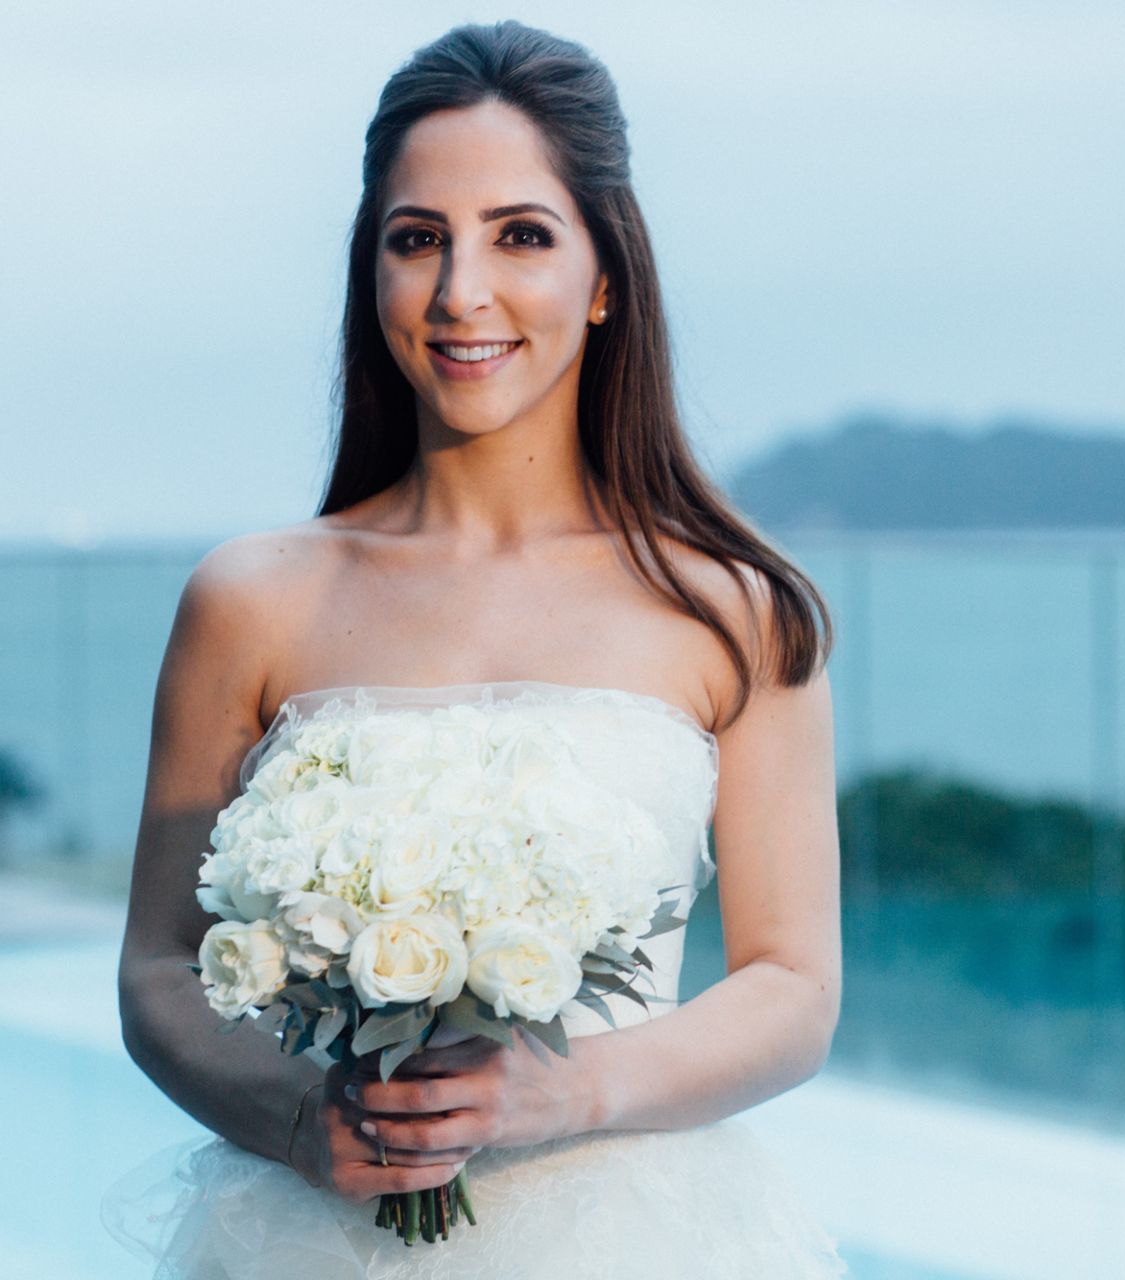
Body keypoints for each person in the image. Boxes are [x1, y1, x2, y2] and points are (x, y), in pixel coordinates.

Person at [106, 20, 848, 1277]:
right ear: (373, 273)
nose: (461, 292)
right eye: (417, 239)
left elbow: (793, 986)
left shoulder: (735, 606)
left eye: (521, 235)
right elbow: (158, 968)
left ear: (606, 276)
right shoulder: (248, 599)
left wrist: (567, 1090)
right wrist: (297, 1119)